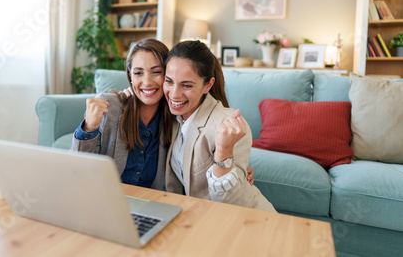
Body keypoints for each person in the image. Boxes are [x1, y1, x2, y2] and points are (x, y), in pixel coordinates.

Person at [72, 38, 255, 190]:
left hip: (150, 205)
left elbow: (197, 158)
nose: (147, 81)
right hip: (105, 200)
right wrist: (89, 127)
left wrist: (233, 170)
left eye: (156, 72)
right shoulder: (109, 106)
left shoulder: (175, 117)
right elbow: (76, 168)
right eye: (138, 73)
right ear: (130, 75)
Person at [163, 40, 275, 212]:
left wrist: (223, 153)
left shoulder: (228, 124)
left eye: (186, 85)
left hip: (247, 219)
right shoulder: (173, 116)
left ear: (208, 85)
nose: (174, 94)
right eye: (169, 81)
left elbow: (230, 203)